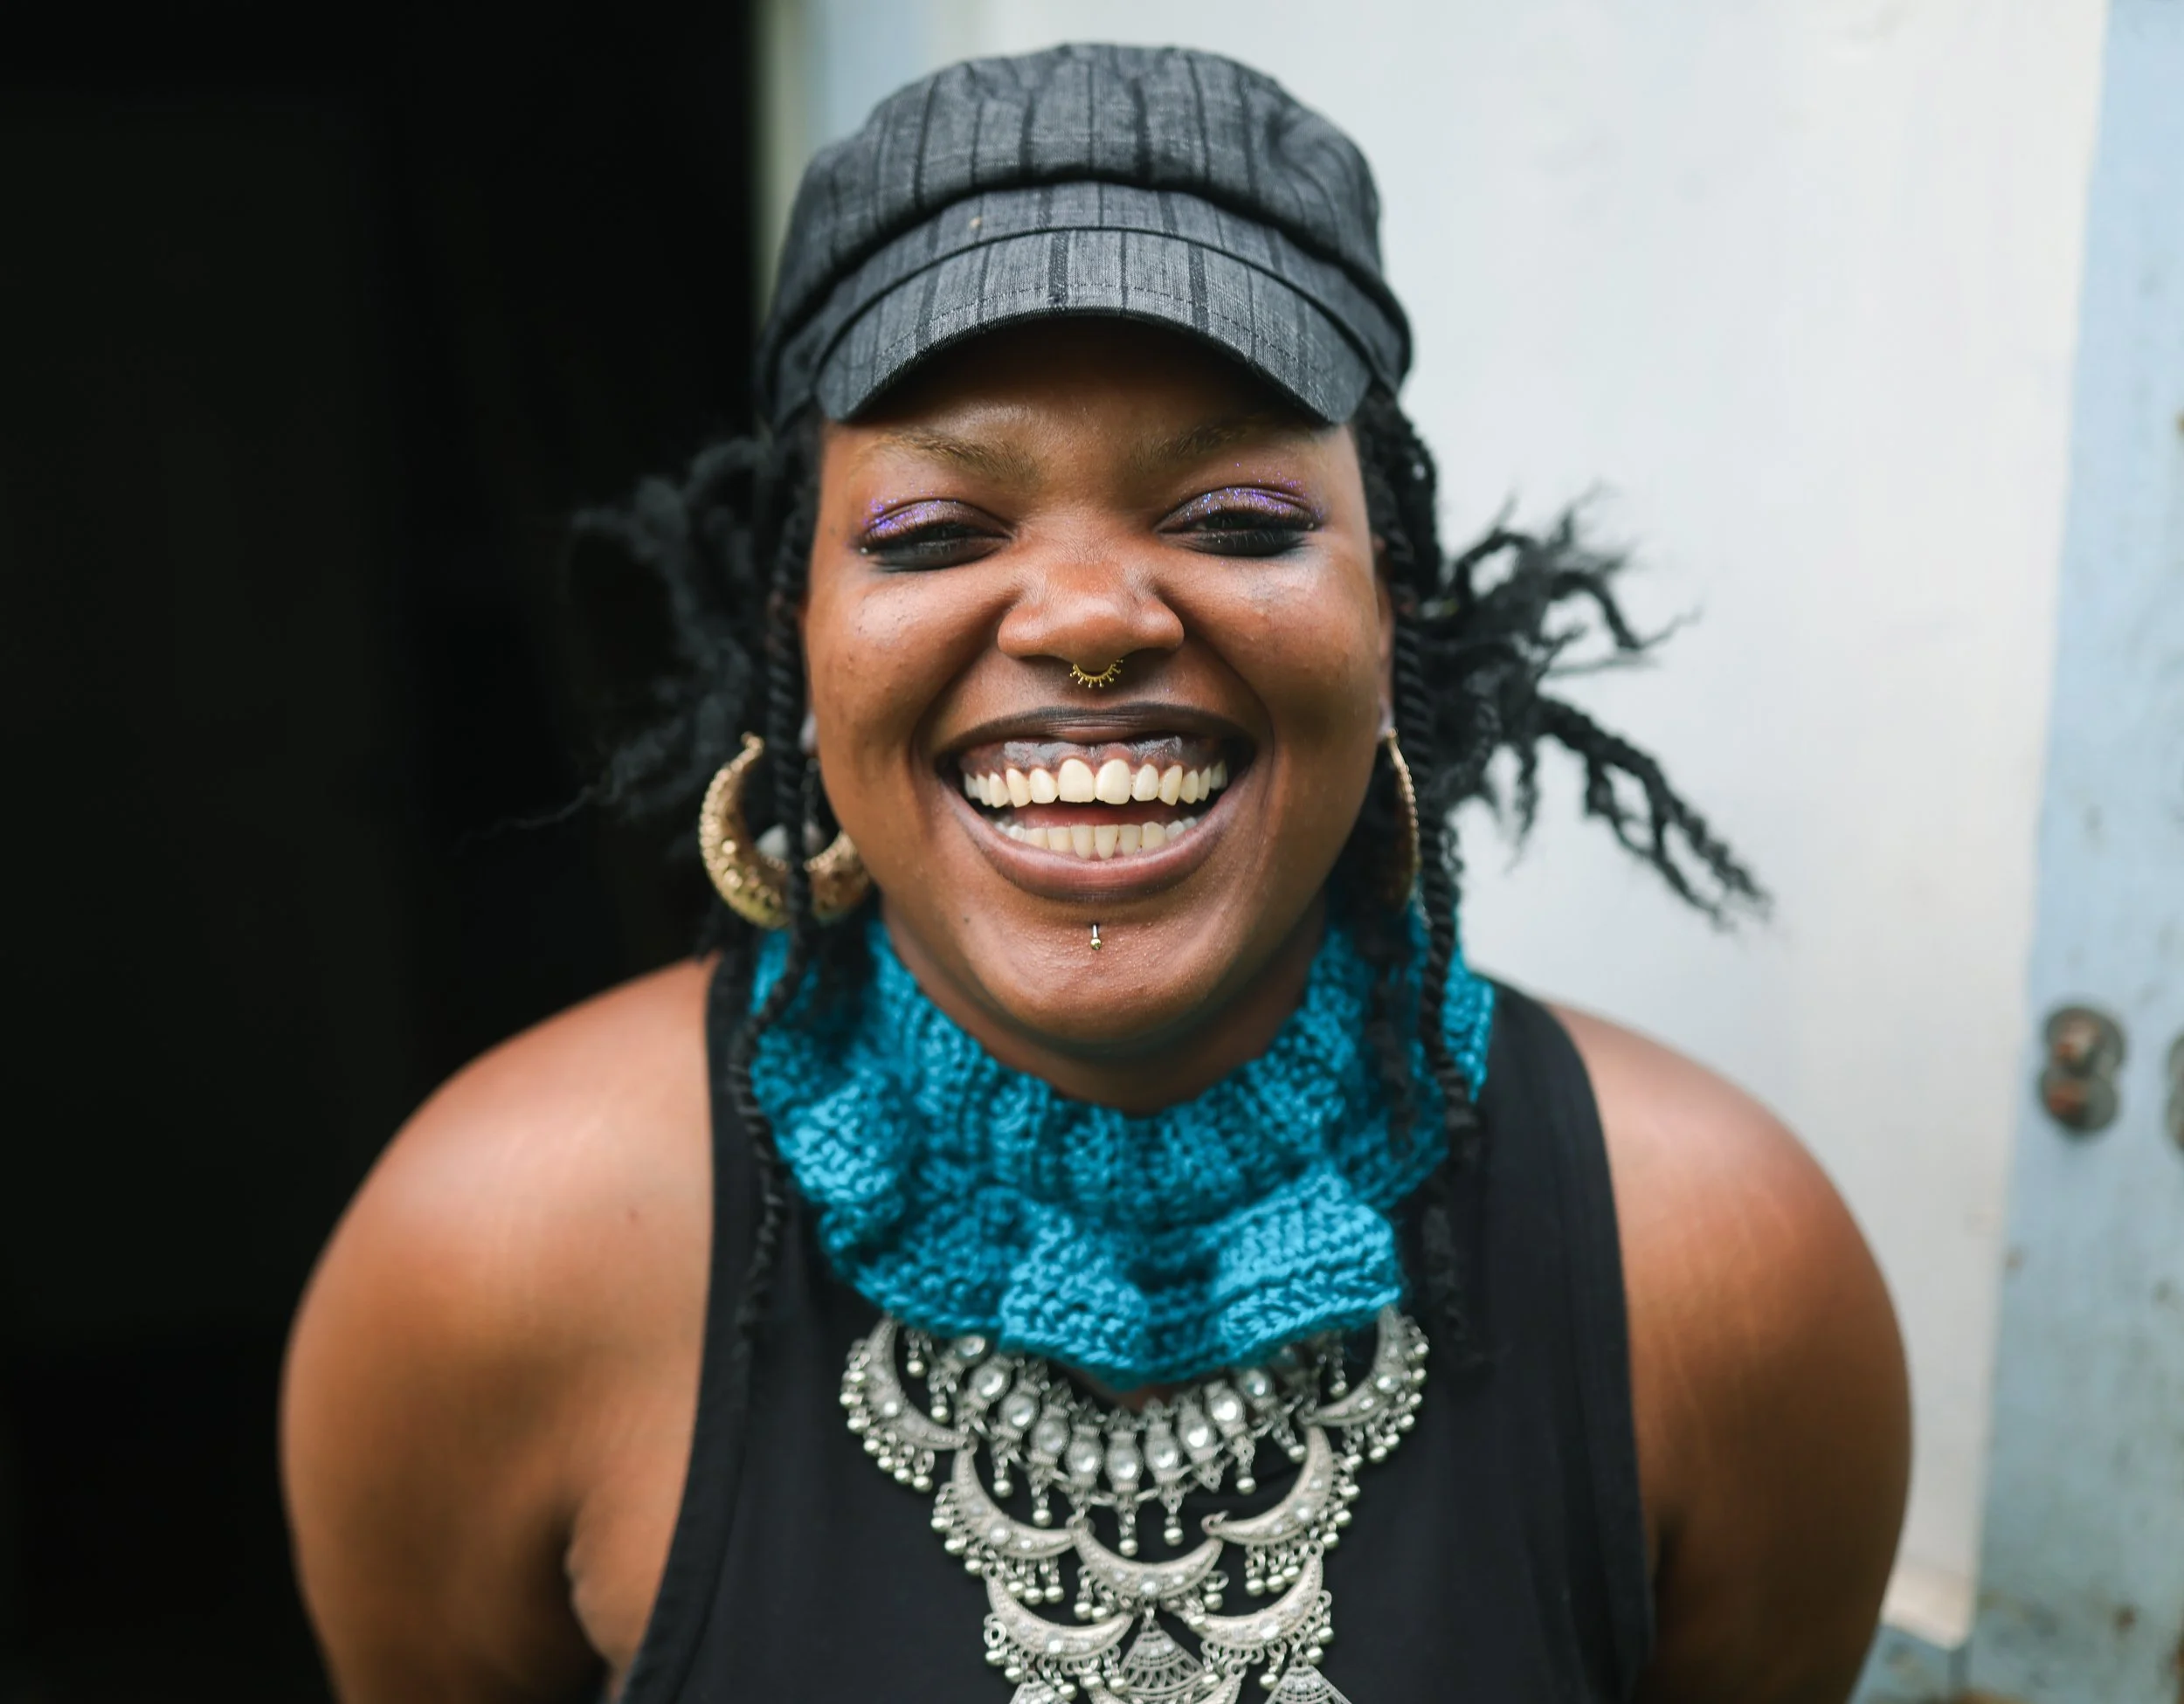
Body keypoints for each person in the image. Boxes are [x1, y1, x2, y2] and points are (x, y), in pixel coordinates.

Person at [281, 44, 1909, 1704]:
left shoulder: (1727, 1277)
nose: (1085, 617)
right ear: (803, 640)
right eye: (931, 532)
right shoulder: (482, 1254)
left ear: (1388, 605)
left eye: (1240, 514)